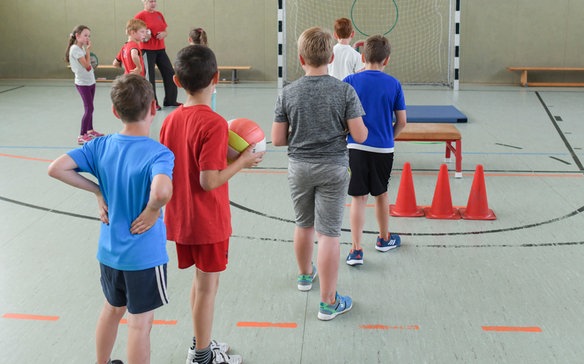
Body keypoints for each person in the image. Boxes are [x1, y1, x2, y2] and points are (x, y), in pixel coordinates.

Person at [47, 74, 174, 364]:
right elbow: (162, 190)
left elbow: (57, 168)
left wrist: (97, 191)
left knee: (112, 309)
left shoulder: (100, 146)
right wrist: (153, 209)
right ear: (153, 108)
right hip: (143, 256)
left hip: (109, 252)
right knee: (140, 324)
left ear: (116, 112)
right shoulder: (159, 154)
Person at [160, 44, 262, 364]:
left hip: (181, 217)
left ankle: (199, 343)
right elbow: (209, 180)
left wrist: (228, 154)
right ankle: (202, 356)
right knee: (208, 287)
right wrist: (243, 161)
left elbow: (183, 164)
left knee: (200, 283)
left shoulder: (170, 121)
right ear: (216, 77)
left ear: (176, 81)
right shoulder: (215, 123)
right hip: (207, 221)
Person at [272, 27, 367, 321]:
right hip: (333, 168)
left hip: (299, 167)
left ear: (301, 58)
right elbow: (360, 136)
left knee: (304, 224)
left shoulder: (288, 92)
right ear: (330, 56)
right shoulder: (345, 91)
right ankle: (328, 302)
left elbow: (277, 139)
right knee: (329, 233)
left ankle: (304, 276)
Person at [343, 35, 406, 266]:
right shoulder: (394, 84)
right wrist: (390, 137)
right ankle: (383, 238)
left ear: (362, 57)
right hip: (383, 150)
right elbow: (402, 121)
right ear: (387, 59)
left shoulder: (350, 80)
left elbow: (342, 116)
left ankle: (356, 249)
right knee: (381, 194)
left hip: (355, 148)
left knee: (358, 198)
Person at [135, 0, 180, 108]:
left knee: (170, 73)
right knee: (150, 77)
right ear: (144, 2)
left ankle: (170, 100)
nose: (153, 4)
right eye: (151, 1)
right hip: (147, 49)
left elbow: (165, 30)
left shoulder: (159, 14)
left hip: (160, 49)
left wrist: (164, 34)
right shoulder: (140, 16)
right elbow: (134, 33)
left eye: (155, 1)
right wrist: (145, 36)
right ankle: (152, 104)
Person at [65, 24, 103, 145]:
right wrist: (88, 50)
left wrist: (86, 50)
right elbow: (87, 66)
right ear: (77, 35)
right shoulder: (75, 49)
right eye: (85, 35)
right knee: (89, 108)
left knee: (91, 107)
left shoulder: (80, 48)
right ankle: (81, 135)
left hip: (90, 81)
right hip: (83, 84)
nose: (88, 38)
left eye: (89, 36)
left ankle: (90, 130)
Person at [187, 28, 217, 110]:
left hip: (195, 91)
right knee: (210, 113)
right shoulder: (209, 54)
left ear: (190, 39)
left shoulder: (188, 56)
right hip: (210, 89)